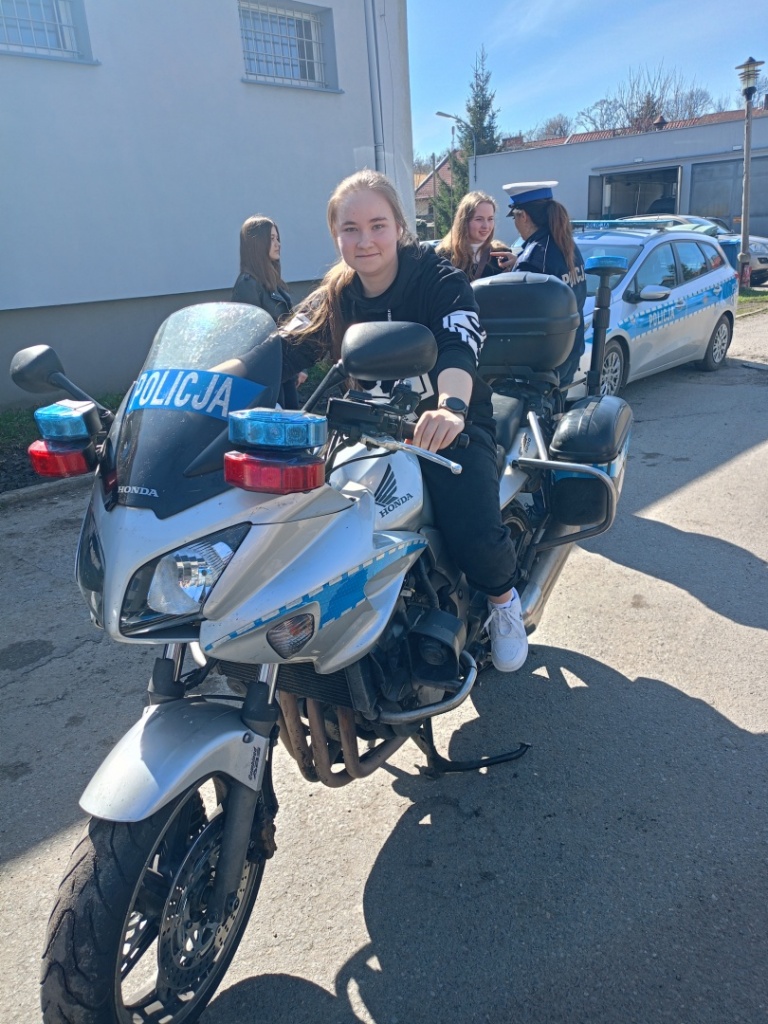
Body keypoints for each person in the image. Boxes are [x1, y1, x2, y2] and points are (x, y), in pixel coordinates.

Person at [280, 169, 528, 673]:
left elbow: (458, 345)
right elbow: (276, 350)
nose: (365, 240)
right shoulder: (336, 294)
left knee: (474, 532)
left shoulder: (437, 278)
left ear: (399, 226)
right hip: (364, 434)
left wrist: (451, 407)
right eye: (350, 229)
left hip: (444, 430)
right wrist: (199, 385)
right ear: (335, 236)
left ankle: (504, 602)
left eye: (377, 225)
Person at [501, 181, 587, 387]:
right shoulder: (565, 244)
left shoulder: (533, 259)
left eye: (514, 217)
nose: (515, 223)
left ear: (523, 216)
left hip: (539, 365)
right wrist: (518, 263)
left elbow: (515, 316)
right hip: (569, 351)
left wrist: (518, 270)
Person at [232, 215, 303, 407]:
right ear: (257, 243)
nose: (278, 244)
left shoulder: (273, 282)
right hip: (268, 374)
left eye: (277, 238)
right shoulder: (248, 284)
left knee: (291, 422)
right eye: (271, 239)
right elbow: (250, 337)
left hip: (283, 371)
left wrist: (297, 367)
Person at [436, 191, 514, 282]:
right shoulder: (445, 256)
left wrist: (516, 267)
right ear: (464, 221)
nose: (486, 226)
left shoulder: (501, 254)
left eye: (490, 219)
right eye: (479, 219)